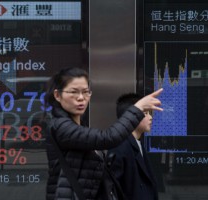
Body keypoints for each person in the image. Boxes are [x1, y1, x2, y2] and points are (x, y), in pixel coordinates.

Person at [44, 67, 163, 200]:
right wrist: (137, 108)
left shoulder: (77, 125)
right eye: (73, 92)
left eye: (85, 92)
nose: (81, 98)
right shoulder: (60, 127)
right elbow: (107, 138)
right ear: (57, 95)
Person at [109, 93, 159, 200]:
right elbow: (113, 189)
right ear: (130, 116)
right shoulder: (121, 146)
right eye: (145, 113)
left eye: (150, 113)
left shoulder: (136, 143)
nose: (150, 117)